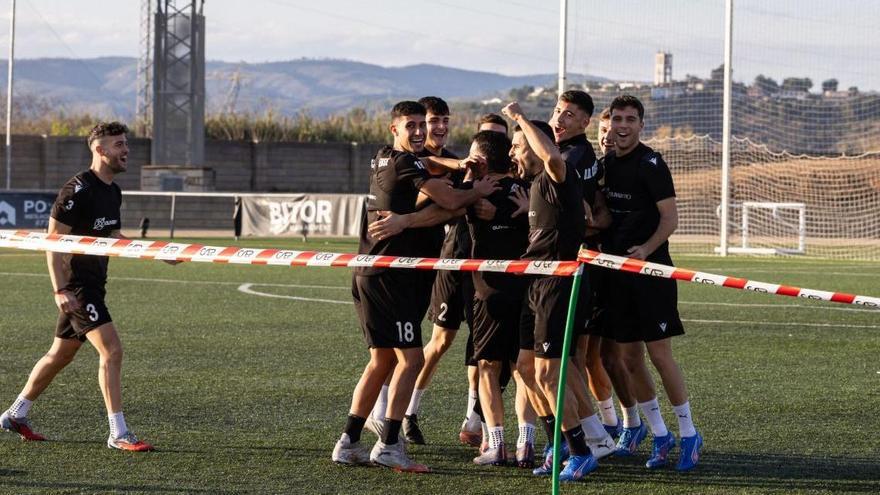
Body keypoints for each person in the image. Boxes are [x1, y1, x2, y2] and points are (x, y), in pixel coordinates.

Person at [332, 100, 497, 472]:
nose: (421, 130)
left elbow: (435, 170)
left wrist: (458, 167)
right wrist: (477, 188)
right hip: (393, 277)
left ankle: (348, 441)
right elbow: (452, 199)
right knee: (412, 359)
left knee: (382, 360)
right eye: (413, 125)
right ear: (395, 129)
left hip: (372, 272)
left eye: (425, 123)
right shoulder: (408, 164)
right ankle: (390, 442)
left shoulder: (384, 156)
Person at [0, 122, 161, 452]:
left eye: (125, 144)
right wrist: (60, 289)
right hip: (77, 288)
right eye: (119, 145)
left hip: (95, 285)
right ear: (100, 150)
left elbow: (113, 237)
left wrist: (157, 252)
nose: (126, 150)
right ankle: (118, 432)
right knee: (112, 351)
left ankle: (15, 414)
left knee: (60, 354)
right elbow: (53, 242)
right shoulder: (77, 190)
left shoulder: (112, 191)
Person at [502, 102, 614, 482]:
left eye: (518, 146)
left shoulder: (557, 173)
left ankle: (580, 452)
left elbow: (550, 153)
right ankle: (560, 444)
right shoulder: (535, 185)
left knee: (551, 375)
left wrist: (519, 118)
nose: (513, 153)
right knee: (525, 369)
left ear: (535, 146)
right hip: (536, 283)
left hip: (560, 284)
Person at [601, 95, 703, 471]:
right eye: (617, 119)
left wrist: (645, 249)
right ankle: (660, 435)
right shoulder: (606, 164)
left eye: (630, 119)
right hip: (617, 277)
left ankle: (690, 434)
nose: (623, 125)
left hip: (652, 275)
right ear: (609, 123)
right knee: (629, 359)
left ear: (641, 125)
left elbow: (670, 218)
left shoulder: (651, 163)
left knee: (660, 356)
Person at [463, 131, 531, 467]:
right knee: (522, 369)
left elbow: (445, 205)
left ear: (483, 159)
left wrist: (469, 179)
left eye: (472, 155)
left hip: (489, 292)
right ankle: (526, 444)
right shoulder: (526, 189)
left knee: (488, 368)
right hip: (526, 290)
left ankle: (496, 444)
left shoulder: (476, 193)